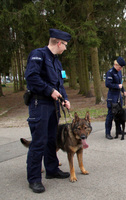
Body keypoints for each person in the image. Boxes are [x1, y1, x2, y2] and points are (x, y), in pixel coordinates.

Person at [24, 28, 71, 193]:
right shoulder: (38, 55)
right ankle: (34, 179)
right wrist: (49, 91)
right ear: (59, 43)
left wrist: (64, 99)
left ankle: (52, 170)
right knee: (39, 141)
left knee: (52, 139)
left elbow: (60, 83)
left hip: (53, 106)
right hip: (40, 104)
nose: (65, 48)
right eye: (65, 45)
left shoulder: (56, 61)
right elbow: (31, 77)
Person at [105, 57, 126, 139]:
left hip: (118, 96)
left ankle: (119, 130)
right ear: (116, 65)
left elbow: (120, 83)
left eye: (121, 68)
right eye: (120, 67)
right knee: (111, 114)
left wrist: (123, 90)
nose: (120, 69)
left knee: (120, 113)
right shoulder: (110, 72)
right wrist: (117, 86)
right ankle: (107, 133)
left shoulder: (119, 72)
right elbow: (108, 84)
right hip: (112, 96)